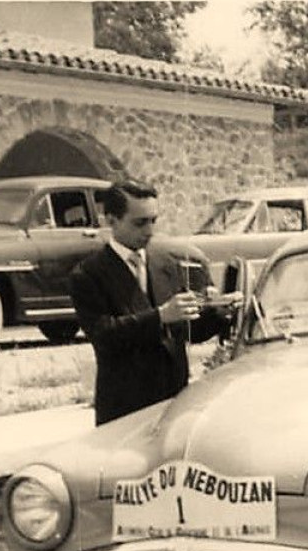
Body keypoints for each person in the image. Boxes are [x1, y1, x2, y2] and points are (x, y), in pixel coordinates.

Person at [68, 181, 238, 425]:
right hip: (125, 408)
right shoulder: (88, 274)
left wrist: (219, 313)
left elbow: (188, 332)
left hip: (173, 401)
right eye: (139, 223)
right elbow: (103, 335)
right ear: (111, 221)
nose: (149, 231)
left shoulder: (166, 263)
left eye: (153, 221)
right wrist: (160, 316)